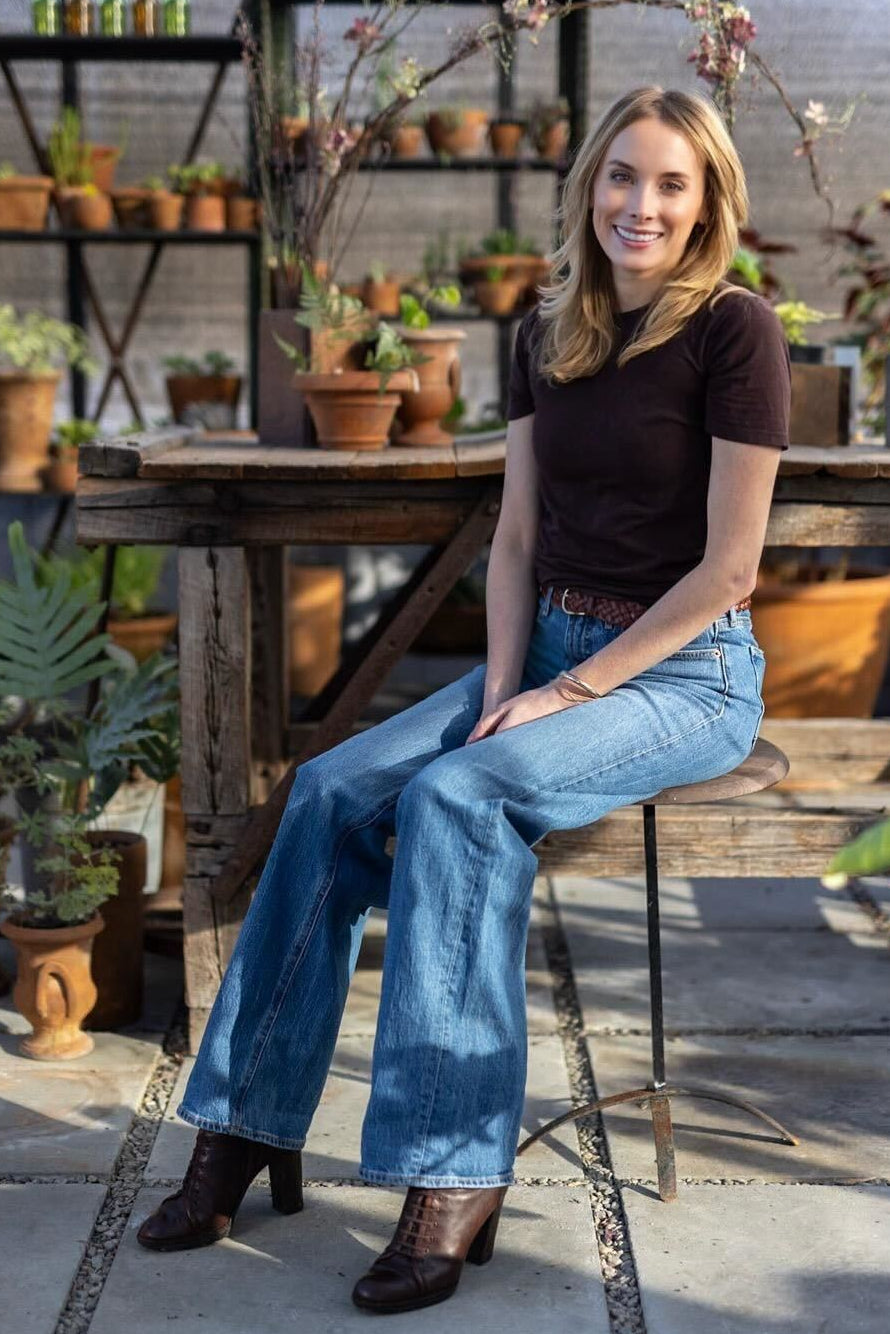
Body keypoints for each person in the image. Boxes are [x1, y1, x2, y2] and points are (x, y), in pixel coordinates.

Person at [137, 85, 790, 1314]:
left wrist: (567, 693)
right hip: (543, 649)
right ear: (586, 186)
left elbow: (728, 571)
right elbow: (516, 536)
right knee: (328, 789)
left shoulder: (734, 332)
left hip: (685, 673)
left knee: (459, 793)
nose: (637, 205)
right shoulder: (547, 331)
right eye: (619, 176)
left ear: (706, 205)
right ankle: (241, 1126)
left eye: (668, 184)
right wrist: (502, 685)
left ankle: (449, 1174)